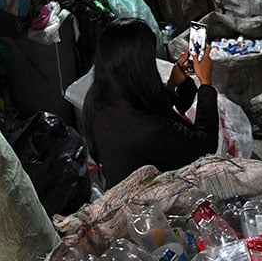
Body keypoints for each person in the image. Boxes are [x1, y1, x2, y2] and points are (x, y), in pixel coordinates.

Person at [82, 18, 219, 189]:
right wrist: (206, 82)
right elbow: (206, 144)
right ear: (141, 66)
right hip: (143, 205)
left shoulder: (98, 97)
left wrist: (172, 84)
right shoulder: (148, 129)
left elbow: (151, 106)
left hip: (117, 184)